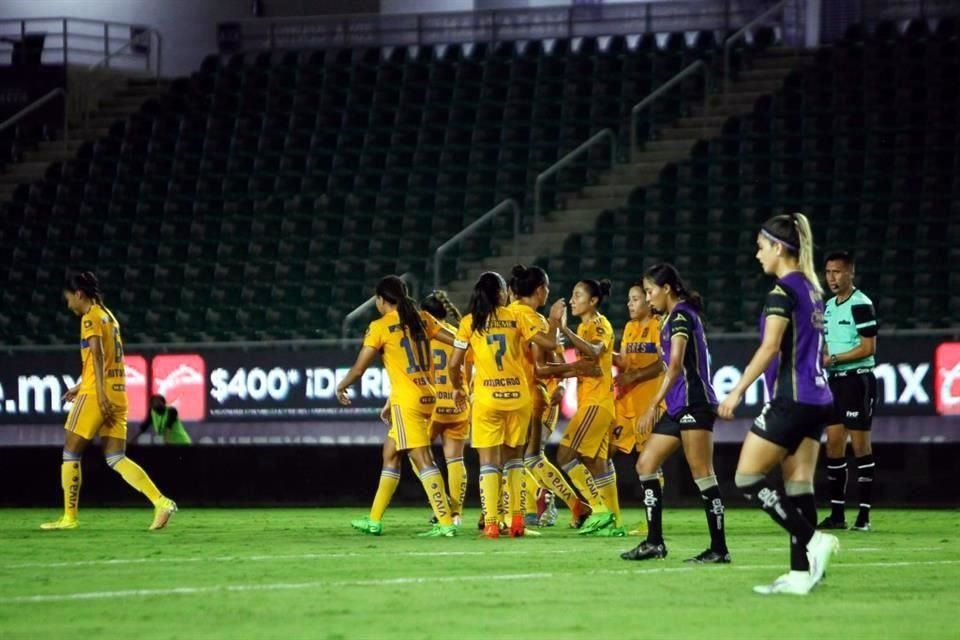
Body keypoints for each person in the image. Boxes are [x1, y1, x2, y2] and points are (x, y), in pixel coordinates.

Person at [718, 212, 839, 595]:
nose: (757, 255)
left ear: (778, 248)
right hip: (820, 399)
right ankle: (802, 576)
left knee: (746, 478)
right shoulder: (813, 290)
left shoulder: (782, 292)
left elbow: (770, 347)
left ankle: (813, 540)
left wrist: (737, 390)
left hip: (793, 399)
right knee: (799, 485)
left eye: (760, 247)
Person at [42, 271, 177, 531]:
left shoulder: (90, 317)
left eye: (69, 298)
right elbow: (109, 359)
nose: (69, 304)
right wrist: (82, 384)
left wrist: (95, 391)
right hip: (118, 392)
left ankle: (69, 517)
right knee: (115, 457)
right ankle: (161, 502)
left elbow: (98, 353)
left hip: (98, 394)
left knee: (70, 450)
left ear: (79, 294)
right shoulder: (109, 316)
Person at [620, 264, 730, 562]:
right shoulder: (670, 318)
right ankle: (654, 542)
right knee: (646, 464)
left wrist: (653, 404)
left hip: (695, 403)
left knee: (702, 474)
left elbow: (677, 364)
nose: (647, 297)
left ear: (666, 288)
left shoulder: (681, 315)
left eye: (650, 291)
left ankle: (719, 549)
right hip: (679, 405)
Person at [336, 275, 458, 537]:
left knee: (423, 459)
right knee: (391, 453)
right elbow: (460, 340)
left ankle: (446, 522)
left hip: (408, 401)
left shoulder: (380, 326)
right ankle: (374, 519)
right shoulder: (422, 319)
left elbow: (359, 369)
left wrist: (340, 386)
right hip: (427, 396)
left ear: (381, 300)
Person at [448, 271, 564, 538]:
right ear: (501, 294)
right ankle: (517, 524)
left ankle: (491, 524)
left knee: (488, 464)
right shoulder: (517, 316)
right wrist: (556, 320)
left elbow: (454, 364)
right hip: (518, 399)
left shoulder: (470, 322)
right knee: (514, 462)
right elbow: (548, 342)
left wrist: (458, 388)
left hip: (487, 400)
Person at [507, 265, 592, 530]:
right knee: (528, 458)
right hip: (530, 395)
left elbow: (544, 365)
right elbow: (546, 363)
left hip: (513, 396)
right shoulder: (536, 321)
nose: (548, 292)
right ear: (539, 289)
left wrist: (566, 381)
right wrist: (573, 370)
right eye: (546, 287)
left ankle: (516, 512)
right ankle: (563, 502)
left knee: (519, 459)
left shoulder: (505, 317)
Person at [555, 279, 625, 537]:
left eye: (577, 295)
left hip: (597, 403)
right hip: (593, 401)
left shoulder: (599, 324)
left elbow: (595, 351)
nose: (572, 300)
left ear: (593, 301)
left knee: (565, 455)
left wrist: (566, 331)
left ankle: (599, 510)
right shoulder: (585, 326)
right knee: (597, 463)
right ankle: (614, 523)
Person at [818, 251, 878, 532]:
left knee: (861, 446)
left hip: (858, 380)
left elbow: (869, 348)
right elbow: (827, 344)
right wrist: (824, 358)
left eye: (837, 272)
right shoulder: (828, 306)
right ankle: (838, 514)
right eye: (828, 272)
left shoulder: (861, 304)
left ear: (850, 273)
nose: (832, 277)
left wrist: (835, 359)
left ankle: (864, 516)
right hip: (835, 383)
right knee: (833, 445)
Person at [612, 283, 666, 535]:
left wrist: (634, 376)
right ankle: (607, 514)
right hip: (628, 404)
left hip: (650, 403)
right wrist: (607, 354)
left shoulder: (659, 326)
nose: (630, 304)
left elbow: (662, 364)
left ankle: (651, 519)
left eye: (635, 299)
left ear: (647, 301)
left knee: (649, 462)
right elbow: (623, 361)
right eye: (629, 300)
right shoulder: (630, 328)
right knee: (604, 451)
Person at [420, 290, 470, 526]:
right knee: (455, 459)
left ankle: (440, 504)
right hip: (458, 403)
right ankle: (457, 513)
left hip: (432, 405)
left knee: (417, 454)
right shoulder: (458, 336)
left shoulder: (423, 338)